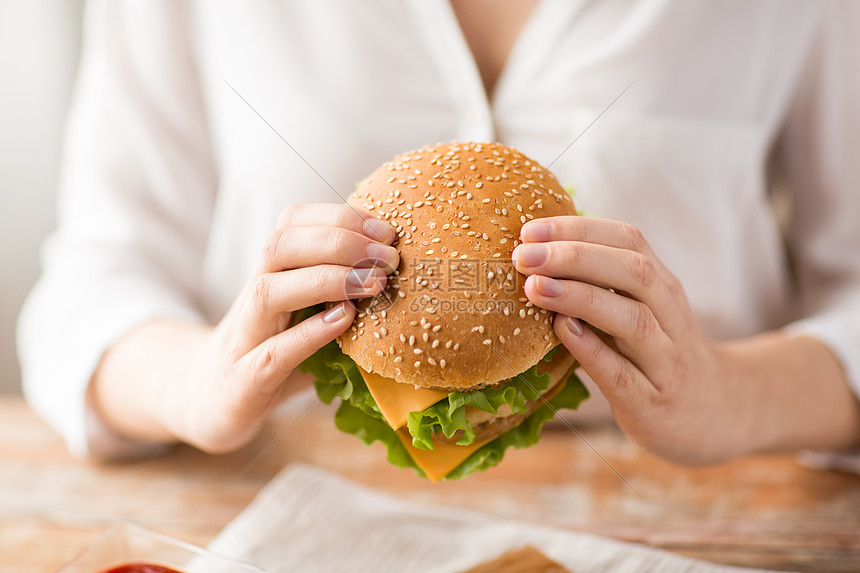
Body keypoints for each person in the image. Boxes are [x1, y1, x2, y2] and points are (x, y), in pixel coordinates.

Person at [18, 0, 860, 465]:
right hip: (282, 504)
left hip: (716, 510)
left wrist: (731, 394)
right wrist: (194, 383)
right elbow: (94, 284)